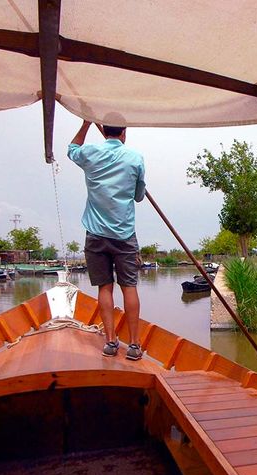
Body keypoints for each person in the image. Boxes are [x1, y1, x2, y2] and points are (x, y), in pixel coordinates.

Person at [68, 119, 146, 360]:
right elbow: (139, 196)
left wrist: (85, 124)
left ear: (106, 131)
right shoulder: (135, 158)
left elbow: (71, 149)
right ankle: (133, 346)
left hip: (96, 234)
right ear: (124, 132)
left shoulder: (91, 153)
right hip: (124, 234)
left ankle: (111, 342)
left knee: (105, 287)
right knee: (129, 286)